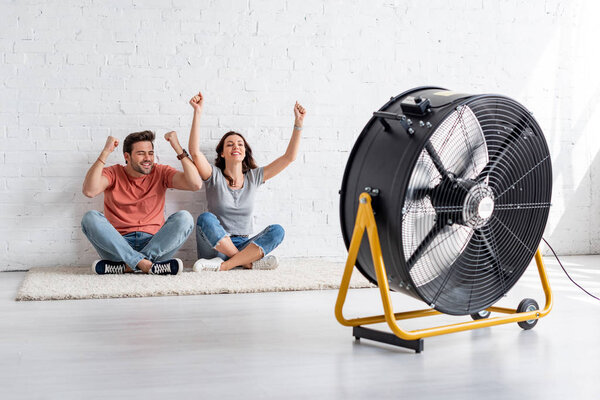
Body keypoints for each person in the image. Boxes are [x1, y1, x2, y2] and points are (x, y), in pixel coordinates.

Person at [188, 91, 306, 271]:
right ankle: (245, 262)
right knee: (206, 218)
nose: (236, 146)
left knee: (277, 231)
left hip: (244, 243)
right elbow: (195, 152)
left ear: (245, 152)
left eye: (240, 144)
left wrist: (298, 124)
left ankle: (226, 265)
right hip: (215, 247)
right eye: (230, 144)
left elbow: (289, 157)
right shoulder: (214, 175)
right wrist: (197, 112)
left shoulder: (254, 177)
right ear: (222, 153)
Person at [81, 130, 202, 275]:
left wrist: (178, 148)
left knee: (185, 218)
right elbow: (89, 191)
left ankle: (128, 266)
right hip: (118, 246)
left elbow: (195, 184)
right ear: (127, 156)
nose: (148, 158)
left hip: (155, 245)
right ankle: (147, 265)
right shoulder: (113, 173)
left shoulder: (160, 172)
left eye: (150, 153)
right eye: (141, 153)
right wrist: (106, 152)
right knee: (90, 218)